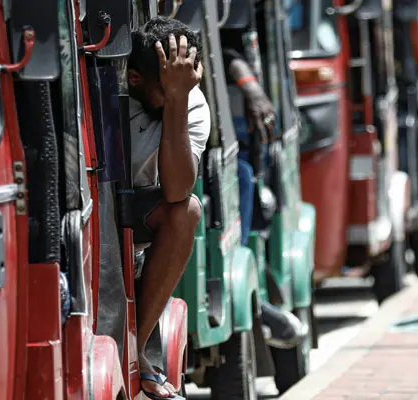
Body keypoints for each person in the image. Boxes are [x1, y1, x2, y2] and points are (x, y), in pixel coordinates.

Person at [126, 17, 208, 399]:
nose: (183, 89)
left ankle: (134, 349)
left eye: (187, 80)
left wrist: (177, 97)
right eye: (168, 84)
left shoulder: (188, 98)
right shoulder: (115, 92)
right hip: (97, 209)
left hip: (141, 216)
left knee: (187, 210)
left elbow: (176, 191)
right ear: (134, 80)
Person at [221, 43, 305, 350]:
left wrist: (251, 88)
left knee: (240, 174)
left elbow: (226, 54)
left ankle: (249, 295)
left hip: (246, 164)